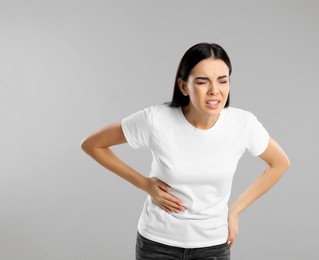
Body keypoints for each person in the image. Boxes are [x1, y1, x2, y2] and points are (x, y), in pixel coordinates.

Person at [81, 42, 290, 259]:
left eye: (223, 80)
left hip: (213, 245)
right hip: (157, 244)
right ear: (183, 86)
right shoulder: (156, 120)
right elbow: (92, 144)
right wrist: (144, 184)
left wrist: (235, 210)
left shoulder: (243, 124)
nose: (214, 91)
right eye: (202, 81)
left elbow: (280, 163)